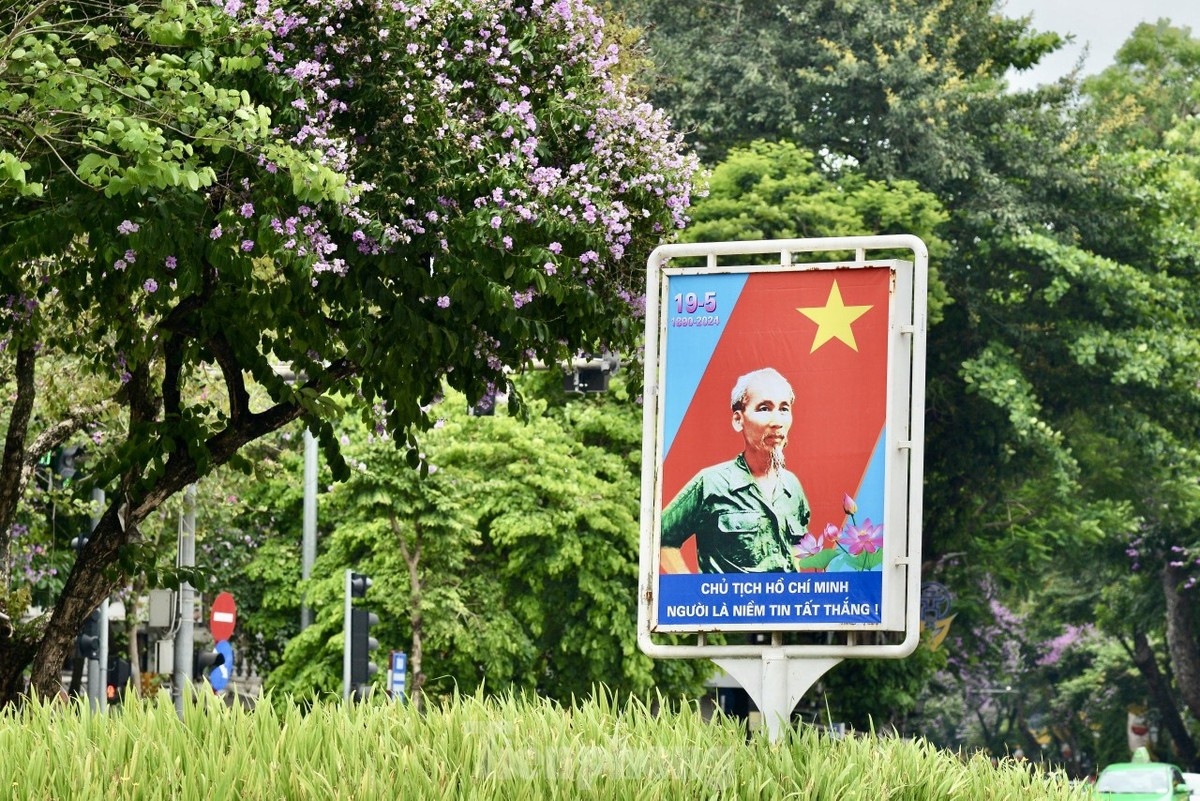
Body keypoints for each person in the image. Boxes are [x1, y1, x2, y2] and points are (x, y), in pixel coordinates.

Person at [659, 367, 811, 573]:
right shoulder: (711, 483)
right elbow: (661, 538)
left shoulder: (792, 486)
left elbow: (797, 548)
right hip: (730, 605)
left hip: (783, 604)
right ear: (738, 420)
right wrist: (697, 594)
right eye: (764, 408)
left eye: (784, 409)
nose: (777, 422)